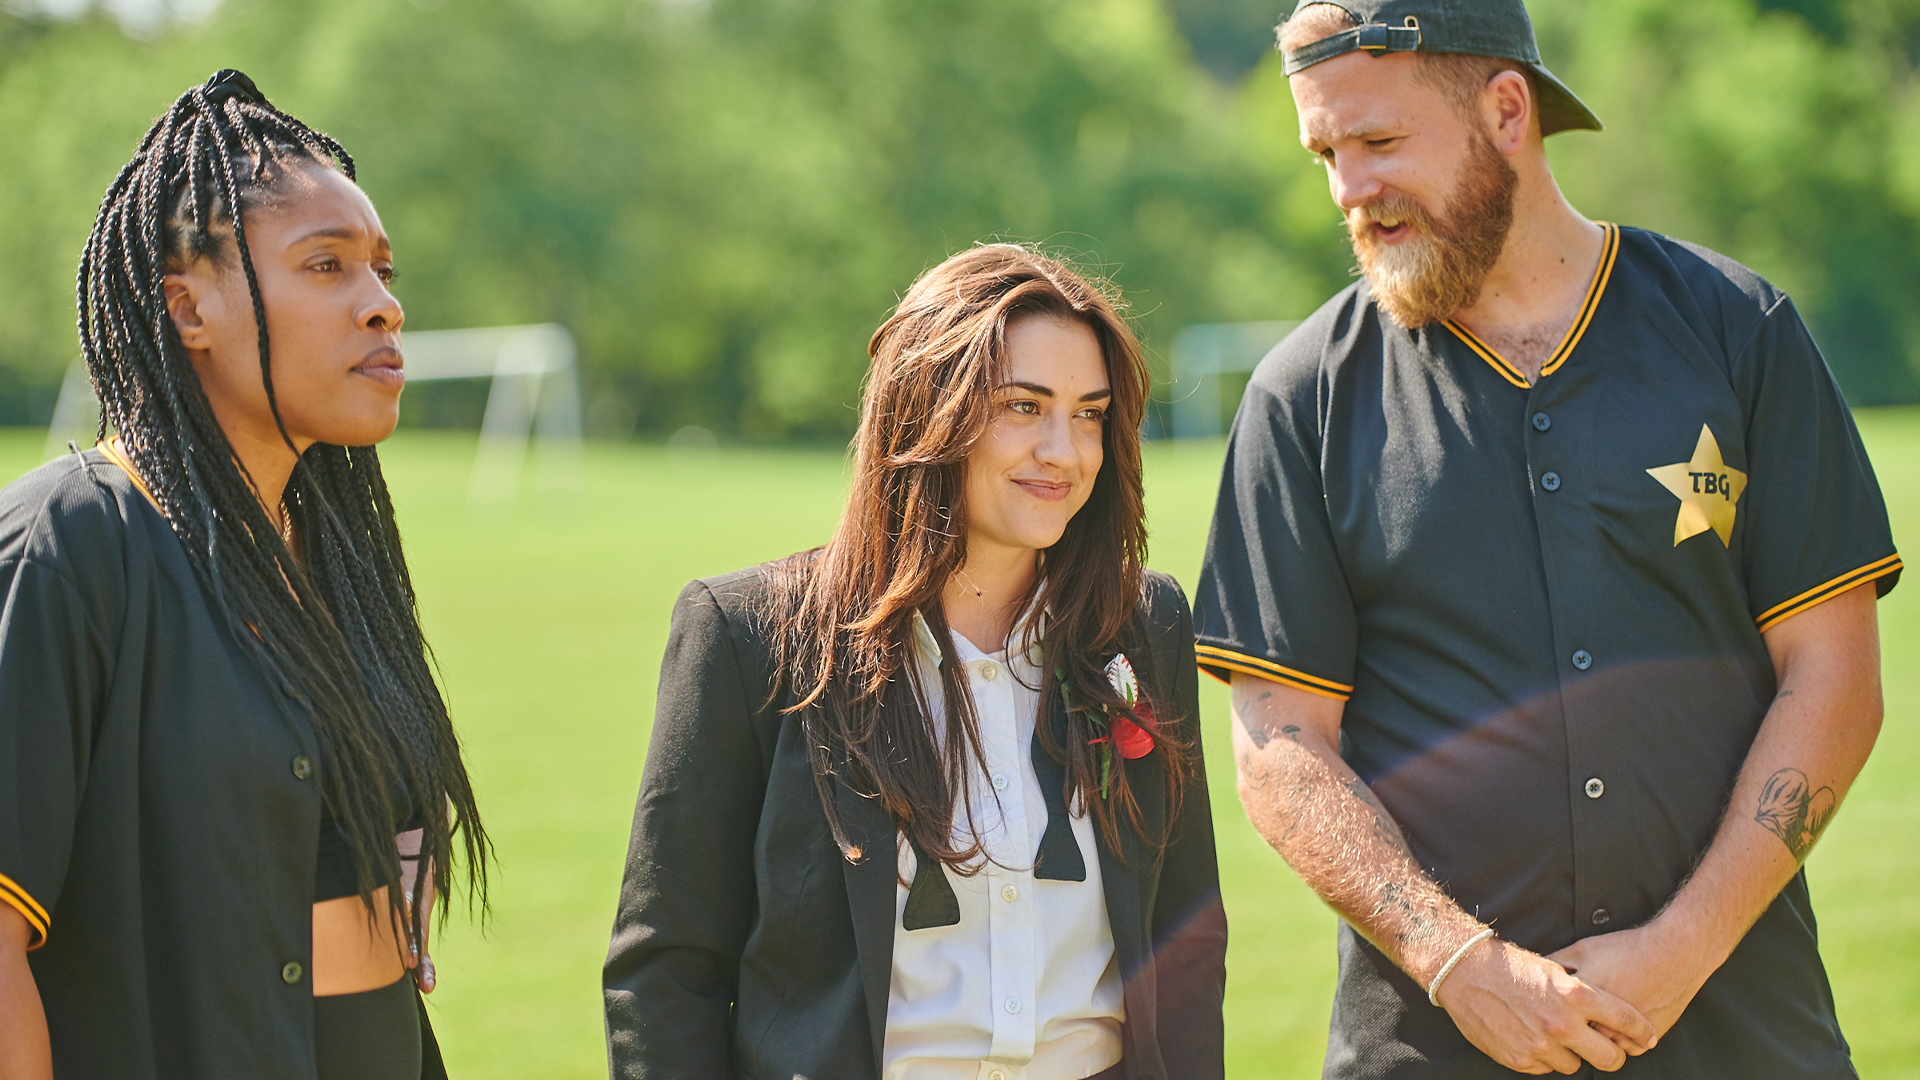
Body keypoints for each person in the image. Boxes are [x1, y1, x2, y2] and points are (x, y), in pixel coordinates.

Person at [1195, 2, 1897, 1077]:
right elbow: (1279, 750)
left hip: (1743, 1032)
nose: (1348, 190)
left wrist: (1682, 949)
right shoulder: (1303, 400)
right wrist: (1461, 965)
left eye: (1379, 143)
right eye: (1327, 152)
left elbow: (1836, 679)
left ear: (1507, 110)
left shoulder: (1739, 333)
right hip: (1432, 1044)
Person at [604, 244, 1226, 1080]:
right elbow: (667, 971)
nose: (1065, 450)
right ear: (925, 412)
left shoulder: (1143, 626)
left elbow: (1187, 938)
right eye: (1022, 406)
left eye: (1088, 414)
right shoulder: (747, 637)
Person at [0, 71, 487, 1080]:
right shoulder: (69, 544)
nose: (383, 307)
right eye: (328, 267)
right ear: (188, 309)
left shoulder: (333, 561)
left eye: (383, 271)